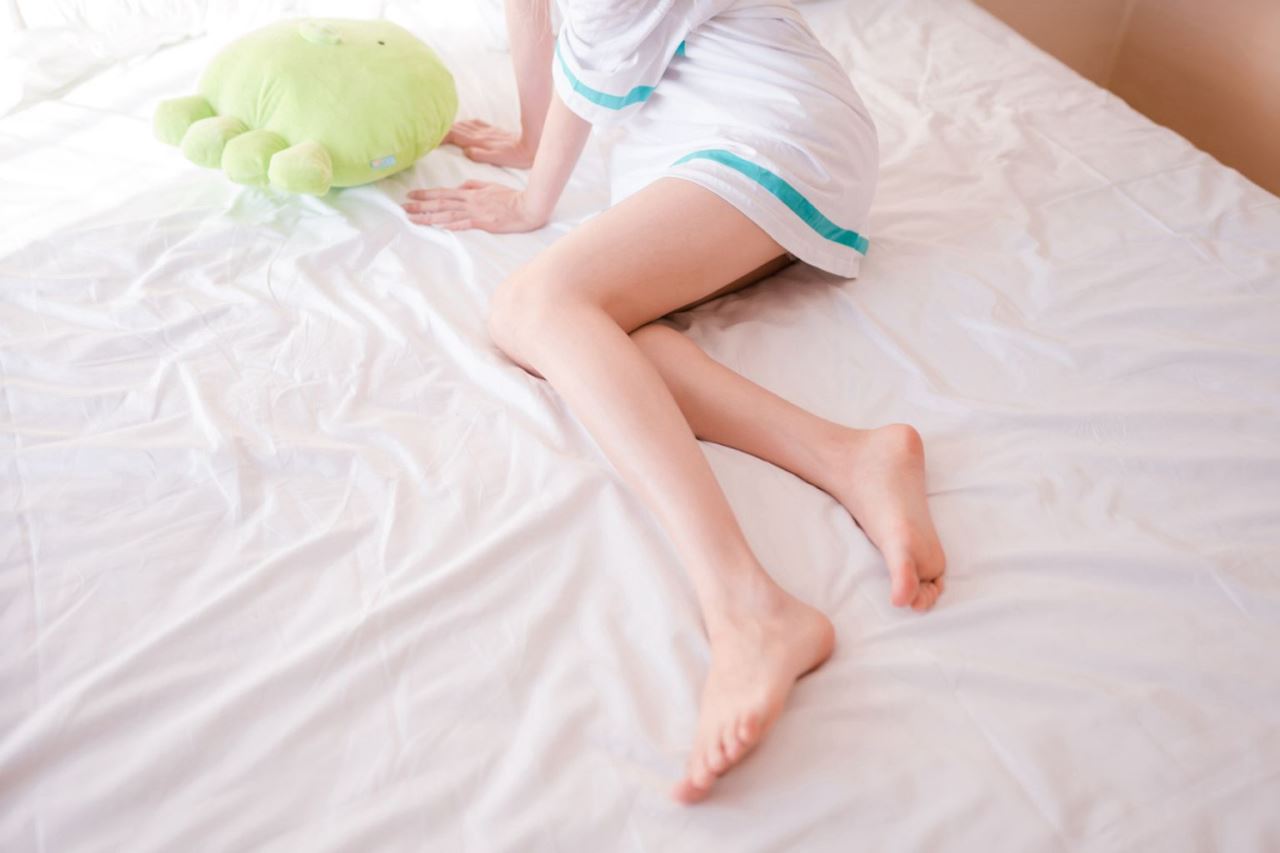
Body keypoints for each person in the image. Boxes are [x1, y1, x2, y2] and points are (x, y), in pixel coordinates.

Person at [402, 0, 946, 805]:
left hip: (767, 129)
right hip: (736, 138)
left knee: (532, 306)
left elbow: (599, 37)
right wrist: (529, 138)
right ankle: (852, 456)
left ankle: (748, 606)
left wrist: (532, 201)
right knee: (597, 341)